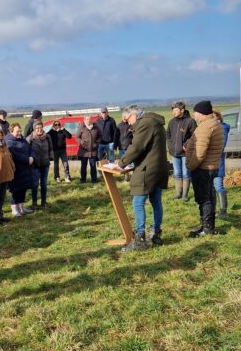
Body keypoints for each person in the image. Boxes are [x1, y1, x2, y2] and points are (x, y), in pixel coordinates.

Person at [112, 106, 168, 251]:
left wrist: (121, 163)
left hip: (148, 170)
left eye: (127, 119)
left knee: (138, 202)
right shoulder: (154, 121)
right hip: (158, 167)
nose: (127, 123)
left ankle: (140, 239)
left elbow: (137, 147)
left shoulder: (145, 123)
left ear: (133, 115)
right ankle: (155, 234)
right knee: (156, 202)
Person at [186, 101, 224, 237]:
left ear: (201, 113)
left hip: (203, 168)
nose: (194, 115)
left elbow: (200, 153)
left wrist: (191, 165)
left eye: (195, 112)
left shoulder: (205, 127)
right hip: (211, 166)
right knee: (210, 196)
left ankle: (207, 228)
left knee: (204, 198)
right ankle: (207, 225)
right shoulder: (215, 124)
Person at [166, 101, 197, 201]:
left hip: (185, 153)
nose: (173, 112)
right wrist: (170, 146)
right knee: (177, 173)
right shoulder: (171, 122)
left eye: (176, 110)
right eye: (173, 110)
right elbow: (168, 135)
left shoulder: (190, 121)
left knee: (185, 173)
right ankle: (178, 194)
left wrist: (186, 144)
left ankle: (185, 195)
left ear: (182, 110)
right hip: (174, 153)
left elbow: (194, 135)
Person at [6, 123, 35, 217]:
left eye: (20, 131)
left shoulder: (22, 139)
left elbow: (30, 148)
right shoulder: (8, 142)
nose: (19, 133)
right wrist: (27, 159)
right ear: (11, 131)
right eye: (17, 131)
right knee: (16, 190)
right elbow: (14, 155)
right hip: (16, 170)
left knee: (23, 189)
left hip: (25, 169)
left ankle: (22, 207)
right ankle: (14, 209)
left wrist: (32, 156)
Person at [26, 121, 53, 209]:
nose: (39, 129)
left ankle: (43, 202)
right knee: (35, 184)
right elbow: (26, 151)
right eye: (37, 128)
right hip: (35, 165)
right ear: (34, 129)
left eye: (41, 127)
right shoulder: (30, 138)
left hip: (45, 164)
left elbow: (51, 149)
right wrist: (29, 160)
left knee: (44, 184)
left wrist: (50, 158)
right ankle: (34, 203)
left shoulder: (47, 137)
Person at [213, 109, 231, 218]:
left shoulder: (222, 128)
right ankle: (212, 210)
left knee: (218, 185)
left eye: (213, 116)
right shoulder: (210, 127)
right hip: (209, 162)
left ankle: (223, 211)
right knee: (211, 187)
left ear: (218, 116)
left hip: (217, 161)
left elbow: (221, 146)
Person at [76, 116, 100, 184]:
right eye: (87, 119)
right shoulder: (81, 127)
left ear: (92, 120)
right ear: (84, 120)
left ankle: (94, 180)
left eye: (90, 119)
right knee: (83, 166)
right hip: (84, 151)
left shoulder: (96, 127)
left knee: (93, 166)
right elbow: (77, 137)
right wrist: (82, 142)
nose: (88, 121)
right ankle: (83, 180)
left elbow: (100, 137)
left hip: (93, 151)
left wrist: (96, 143)